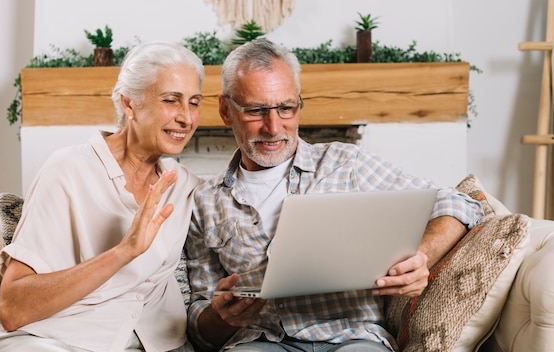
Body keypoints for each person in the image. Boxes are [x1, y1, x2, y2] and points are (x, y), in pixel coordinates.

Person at [185, 39, 484, 352]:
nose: (274, 127)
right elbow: (200, 330)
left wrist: (421, 256)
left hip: (353, 339)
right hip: (259, 342)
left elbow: (457, 202)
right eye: (256, 110)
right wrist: (222, 316)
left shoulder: (346, 164)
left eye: (286, 108)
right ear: (225, 110)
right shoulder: (205, 201)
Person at [0, 41, 204, 352]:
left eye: (194, 102)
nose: (187, 118)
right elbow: (14, 309)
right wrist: (124, 251)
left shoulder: (184, 186)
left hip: (150, 343)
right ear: (129, 104)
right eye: (171, 100)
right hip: (47, 340)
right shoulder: (68, 169)